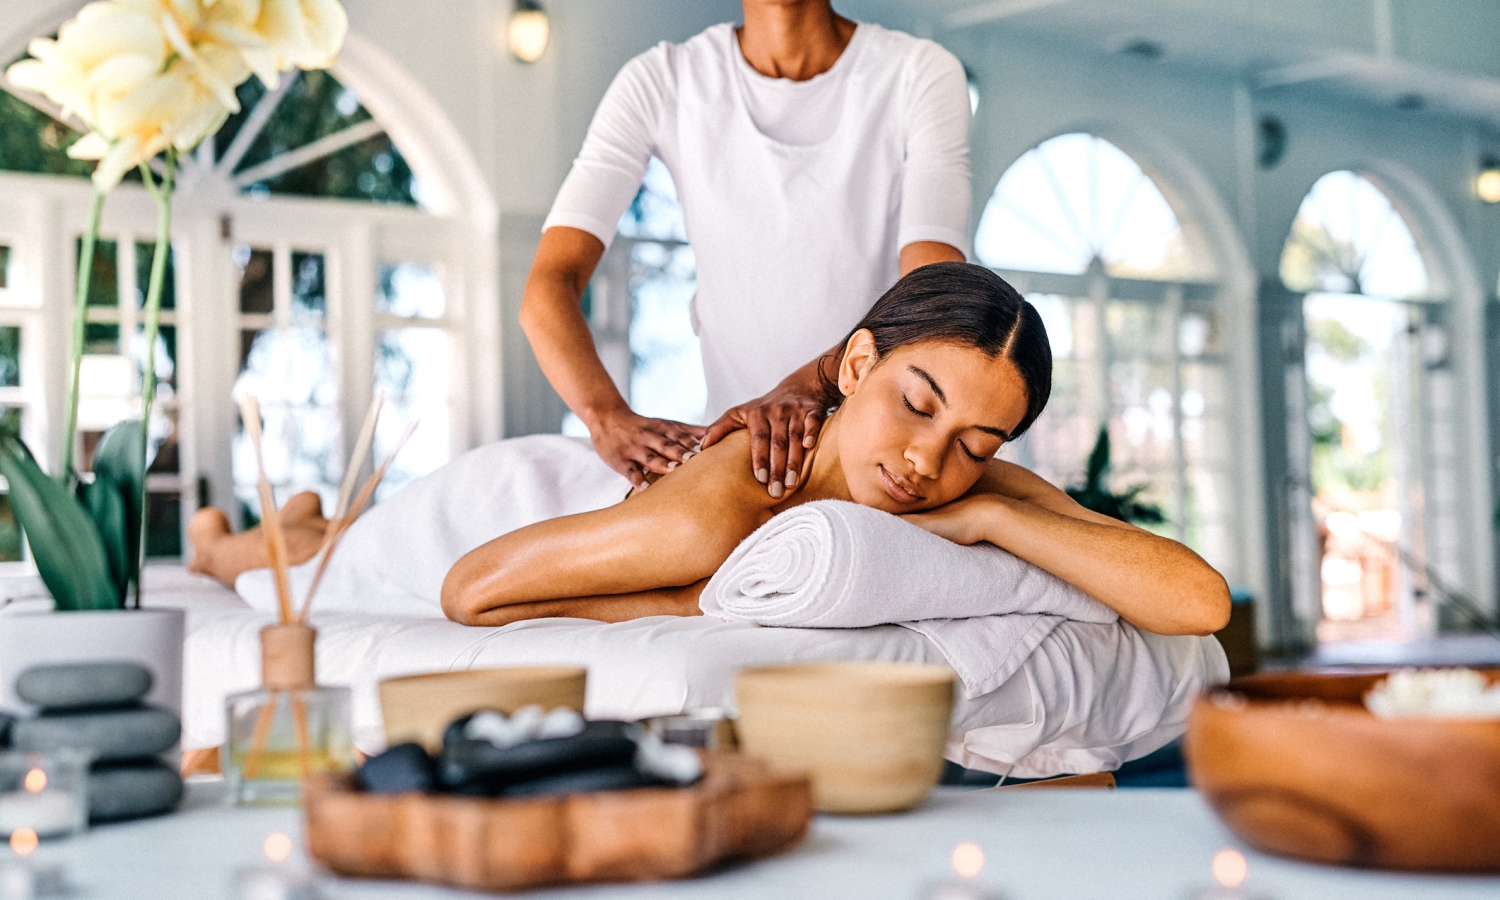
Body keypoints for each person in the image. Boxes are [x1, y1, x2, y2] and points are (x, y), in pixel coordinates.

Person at [190, 264, 1231, 639]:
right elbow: (469, 592)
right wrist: (700, 600)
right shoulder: (723, 509)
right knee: (305, 567)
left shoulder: (961, 477)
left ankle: (305, 516)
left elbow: (1199, 601)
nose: (929, 461)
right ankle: (227, 540)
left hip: (599, 513)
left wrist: (997, 511)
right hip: (497, 509)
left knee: (328, 530)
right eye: (918, 404)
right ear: (856, 362)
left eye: (978, 442)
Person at [525, 0, 971, 499]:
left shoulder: (918, 73)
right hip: (737, 455)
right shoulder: (663, 79)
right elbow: (549, 285)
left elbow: (934, 296)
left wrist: (810, 384)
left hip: (878, 460)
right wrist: (606, 418)